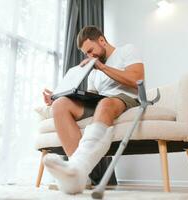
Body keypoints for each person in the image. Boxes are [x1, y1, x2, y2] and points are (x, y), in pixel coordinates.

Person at [42, 26, 144, 194]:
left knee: (105, 103)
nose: (90, 56)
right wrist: (56, 97)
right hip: (101, 101)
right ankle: (78, 176)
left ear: (102, 41)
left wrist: (102, 67)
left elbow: (137, 79)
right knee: (60, 104)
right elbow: (93, 95)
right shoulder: (93, 70)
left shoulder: (126, 50)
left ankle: (78, 169)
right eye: (86, 54)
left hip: (125, 98)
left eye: (91, 50)